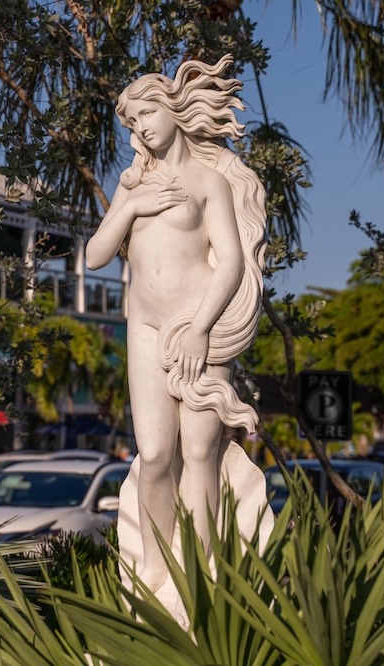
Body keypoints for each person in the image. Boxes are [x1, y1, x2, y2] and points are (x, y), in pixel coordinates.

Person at [85, 55, 266, 592]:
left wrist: (199, 329)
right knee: (157, 455)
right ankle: (154, 579)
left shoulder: (209, 181)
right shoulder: (133, 180)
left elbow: (230, 261)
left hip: (200, 331)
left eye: (145, 113)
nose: (140, 126)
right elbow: (96, 255)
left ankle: (203, 579)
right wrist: (131, 204)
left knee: (198, 453)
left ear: (172, 108)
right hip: (144, 328)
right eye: (132, 120)